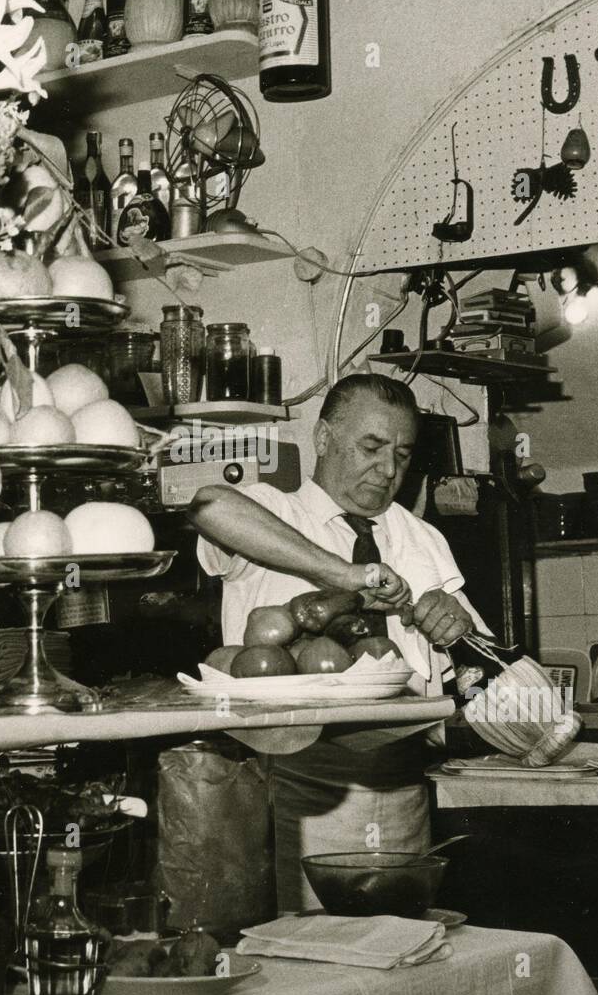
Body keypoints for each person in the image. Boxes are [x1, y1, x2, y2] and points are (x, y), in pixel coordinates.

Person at [189, 372, 489, 911]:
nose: (388, 469)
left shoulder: (422, 538)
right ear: (323, 438)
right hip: (294, 794)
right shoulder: (274, 511)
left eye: (401, 453)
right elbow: (209, 505)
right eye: (370, 447)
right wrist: (345, 575)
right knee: (302, 966)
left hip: (403, 791)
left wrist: (457, 630)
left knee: (401, 963)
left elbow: (483, 675)